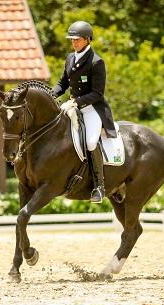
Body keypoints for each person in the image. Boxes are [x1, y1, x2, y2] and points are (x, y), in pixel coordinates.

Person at [52, 21, 117, 204]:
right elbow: (62, 84)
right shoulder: (70, 58)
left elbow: (97, 93)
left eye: (77, 40)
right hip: (72, 107)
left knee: (89, 142)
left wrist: (76, 102)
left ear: (87, 40)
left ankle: (99, 186)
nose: (74, 43)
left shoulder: (97, 62)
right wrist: (51, 94)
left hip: (92, 109)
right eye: (71, 40)